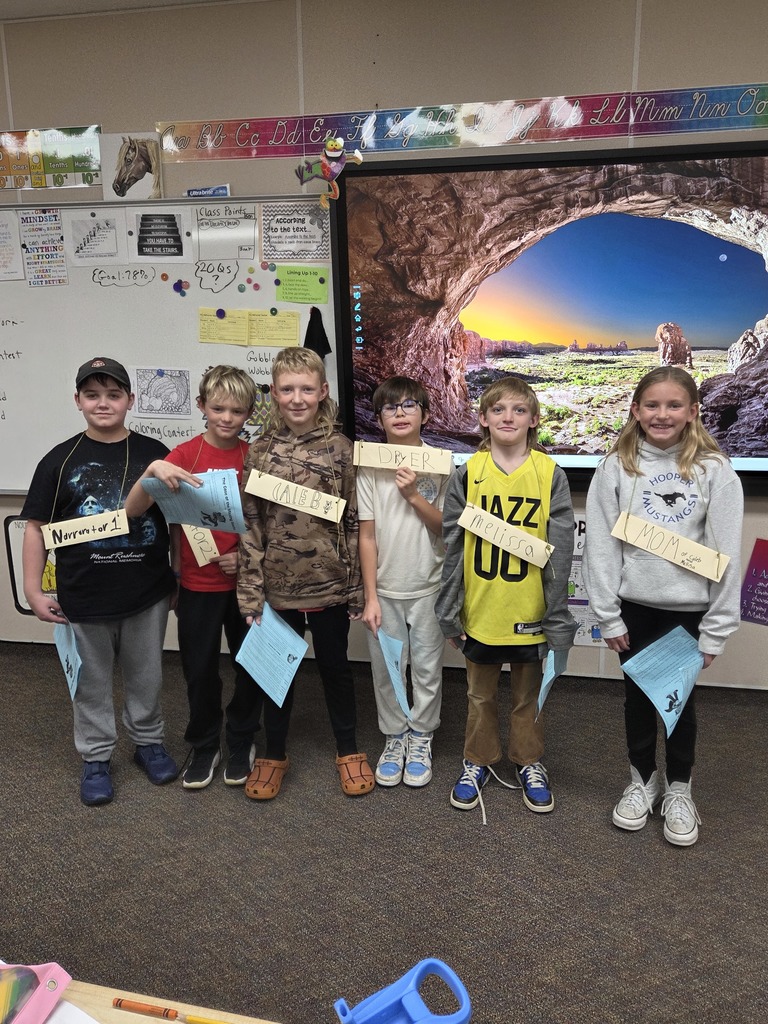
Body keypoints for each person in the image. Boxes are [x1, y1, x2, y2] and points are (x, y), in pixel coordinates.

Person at [582, 366, 743, 847]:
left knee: (678, 704)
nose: (662, 414)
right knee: (636, 700)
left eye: (674, 405)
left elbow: (727, 555)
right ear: (635, 410)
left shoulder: (715, 470)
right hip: (634, 608)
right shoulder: (616, 467)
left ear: (693, 411)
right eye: (652, 405)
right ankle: (641, 781)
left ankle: (678, 789)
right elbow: (602, 549)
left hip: (687, 613)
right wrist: (607, 614)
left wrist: (715, 629)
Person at [21, 356, 178, 807]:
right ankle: (96, 756)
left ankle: (148, 742)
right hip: (83, 596)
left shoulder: (154, 454)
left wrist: (180, 577)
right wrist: (34, 590)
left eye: (113, 394)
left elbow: (179, 523)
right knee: (90, 681)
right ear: (77, 401)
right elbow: (36, 527)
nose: (103, 403)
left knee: (146, 675)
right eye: (92, 395)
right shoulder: (59, 459)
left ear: (131, 399)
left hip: (145, 592)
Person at [237, 347, 374, 799]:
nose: (297, 398)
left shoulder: (341, 450)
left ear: (323, 392)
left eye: (307, 389)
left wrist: (356, 588)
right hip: (278, 589)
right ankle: (273, 753)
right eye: (288, 389)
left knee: (337, 670)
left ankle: (349, 749)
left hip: (331, 586)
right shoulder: (259, 452)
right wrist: (250, 592)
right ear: (274, 394)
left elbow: (354, 521)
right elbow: (251, 526)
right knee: (276, 673)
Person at [436, 376, 576, 815]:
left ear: (534, 419)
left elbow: (561, 551)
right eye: (498, 410)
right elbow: (453, 546)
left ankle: (529, 760)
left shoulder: (550, 473)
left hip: (530, 608)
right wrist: (448, 609)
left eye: (519, 410)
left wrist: (555, 616)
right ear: (482, 418)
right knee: (479, 694)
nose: (508, 417)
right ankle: (477, 760)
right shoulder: (468, 474)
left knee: (525, 695)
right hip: (482, 606)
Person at [124, 365, 263, 790]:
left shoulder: (253, 456)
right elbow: (132, 511)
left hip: (245, 585)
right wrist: (151, 471)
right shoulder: (184, 455)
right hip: (198, 587)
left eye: (237, 411)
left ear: (249, 415)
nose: (226, 418)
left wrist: (244, 555)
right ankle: (205, 742)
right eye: (218, 408)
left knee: (251, 667)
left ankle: (241, 739)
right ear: (201, 406)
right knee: (200, 669)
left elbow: (270, 522)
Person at [358, 376, 452, 788]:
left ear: (426, 415)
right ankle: (395, 736)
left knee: (428, 667)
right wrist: (370, 596)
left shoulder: (441, 463)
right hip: (385, 589)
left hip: (428, 584)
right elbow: (366, 534)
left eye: (409, 405)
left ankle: (421, 735)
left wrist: (415, 494)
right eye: (390, 407)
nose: (399, 413)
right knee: (388, 667)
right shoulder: (370, 464)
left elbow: (446, 530)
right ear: (378, 418)